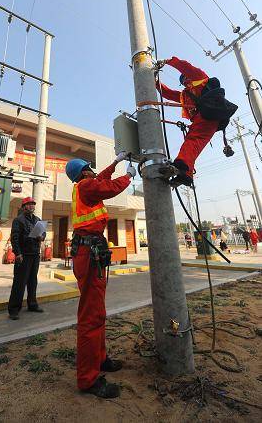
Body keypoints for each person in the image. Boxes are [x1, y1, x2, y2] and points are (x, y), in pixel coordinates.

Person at [65, 152, 136, 399]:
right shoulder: (87, 186)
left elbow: (103, 177)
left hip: (90, 251)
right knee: (91, 316)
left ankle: (101, 359)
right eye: (90, 169)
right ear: (84, 172)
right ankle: (88, 379)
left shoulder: (85, 186)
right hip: (88, 252)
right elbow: (108, 186)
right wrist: (128, 176)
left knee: (98, 313)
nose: (94, 171)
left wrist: (116, 162)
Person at [155, 56, 236, 187]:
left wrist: (168, 61)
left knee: (192, 141)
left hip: (208, 115)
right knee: (194, 143)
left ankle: (181, 166)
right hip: (206, 119)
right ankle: (186, 175)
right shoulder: (185, 94)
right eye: (183, 81)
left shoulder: (200, 79)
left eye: (186, 77)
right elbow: (168, 93)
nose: (186, 81)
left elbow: (185, 66)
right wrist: (154, 81)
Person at [8, 197, 46, 320]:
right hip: (23, 255)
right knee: (20, 282)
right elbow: (15, 238)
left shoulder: (37, 220)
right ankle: (14, 309)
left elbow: (43, 233)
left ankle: (32, 304)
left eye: (32, 204)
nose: (31, 206)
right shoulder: (18, 220)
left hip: (35, 254)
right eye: (28, 204)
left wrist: (41, 236)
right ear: (23, 207)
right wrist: (17, 253)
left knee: (32, 281)